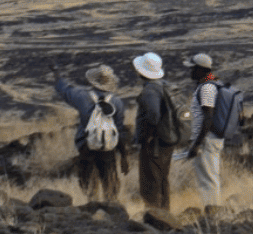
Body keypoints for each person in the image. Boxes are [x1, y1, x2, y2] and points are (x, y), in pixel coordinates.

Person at [52, 63, 129, 202]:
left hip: (86, 145)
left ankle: (92, 209)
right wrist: (123, 156)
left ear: (92, 80)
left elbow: (64, 90)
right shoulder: (117, 102)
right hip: (108, 148)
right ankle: (113, 213)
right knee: (110, 184)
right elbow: (120, 130)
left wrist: (57, 74)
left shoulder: (82, 96)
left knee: (88, 184)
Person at [177, 53, 227, 206]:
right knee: (211, 177)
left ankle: (212, 212)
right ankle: (213, 210)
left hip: (207, 140)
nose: (190, 72)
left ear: (200, 69)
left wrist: (197, 143)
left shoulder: (207, 88)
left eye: (193, 68)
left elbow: (208, 117)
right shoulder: (212, 84)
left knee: (208, 179)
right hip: (211, 138)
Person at [132, 52, 176, 210]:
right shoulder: (163, 86)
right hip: (166, 141)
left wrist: (147, 137)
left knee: (150, 182)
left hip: (154, 144)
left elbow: (153, 115)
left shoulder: (150, 90)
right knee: (162, 179)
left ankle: (153, 218)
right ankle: (165, 215)